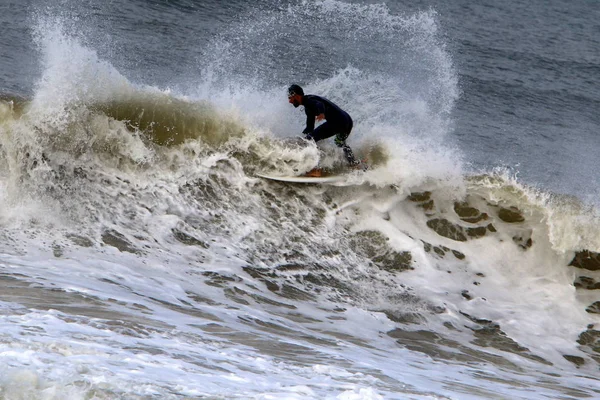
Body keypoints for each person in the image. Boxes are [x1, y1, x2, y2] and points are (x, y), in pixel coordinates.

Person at [287, 84, 359, 167]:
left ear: (295, 95)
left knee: (310, 140)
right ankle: (353, 163)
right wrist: (300, 138)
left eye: (290, 98)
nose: (290, 101)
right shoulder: (308, 107)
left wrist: (321, 113)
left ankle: (316, 168)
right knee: (339, 142)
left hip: (338, 122)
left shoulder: (309, 101)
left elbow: (319, 104)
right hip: (347, 121)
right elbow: (309, 127)